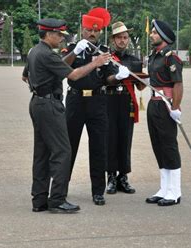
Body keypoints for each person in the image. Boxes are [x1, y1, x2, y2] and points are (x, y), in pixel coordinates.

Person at [22, 18, 110, 213]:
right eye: (59, 35)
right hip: (50, 105)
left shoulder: (34, 52)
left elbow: (25, 76)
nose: (61, 38)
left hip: (37, 102)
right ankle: (58, 199)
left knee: (42, 153)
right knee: (63, 151)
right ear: (49, 34)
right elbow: (74, 75)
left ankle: (39, 199)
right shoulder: (47, 54)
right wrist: (96, 63)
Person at [62, 8, 130, 206]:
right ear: (83, 30)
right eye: (89, 30)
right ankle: (61, 187)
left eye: (96, 31)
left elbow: (108, 76)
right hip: (75, 102)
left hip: (98, 103)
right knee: (69, 146)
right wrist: (75, 52)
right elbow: (62, 66)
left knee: (99, 147)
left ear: (101, 32)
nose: (92, 34)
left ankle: (98, 191)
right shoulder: (74, 47)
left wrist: (117, 77)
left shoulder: (103, 52)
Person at [144, 20, 184, 206]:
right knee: (158, 146)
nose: (151, 35)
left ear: (164, 37)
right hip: (153, 103)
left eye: (154, 32)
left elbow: (177, 84)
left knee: (169, 146)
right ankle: (164, 188)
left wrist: (176, 107)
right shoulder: (154, 56)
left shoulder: (170, 57)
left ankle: (174, 191)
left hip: (166, 105)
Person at [105, 21, 145, 195]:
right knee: (110, 139)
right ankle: (111, 177)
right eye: (119, 38)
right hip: (110, 102)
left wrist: (146, 77)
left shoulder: (134, 60)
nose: (123, 40)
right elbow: (105, 79)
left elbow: (141, 87)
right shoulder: (106, 58)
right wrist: (116, 76)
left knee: (125, 139)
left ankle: (123, 177)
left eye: (125, 37)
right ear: (113, 39)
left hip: (126, 103)